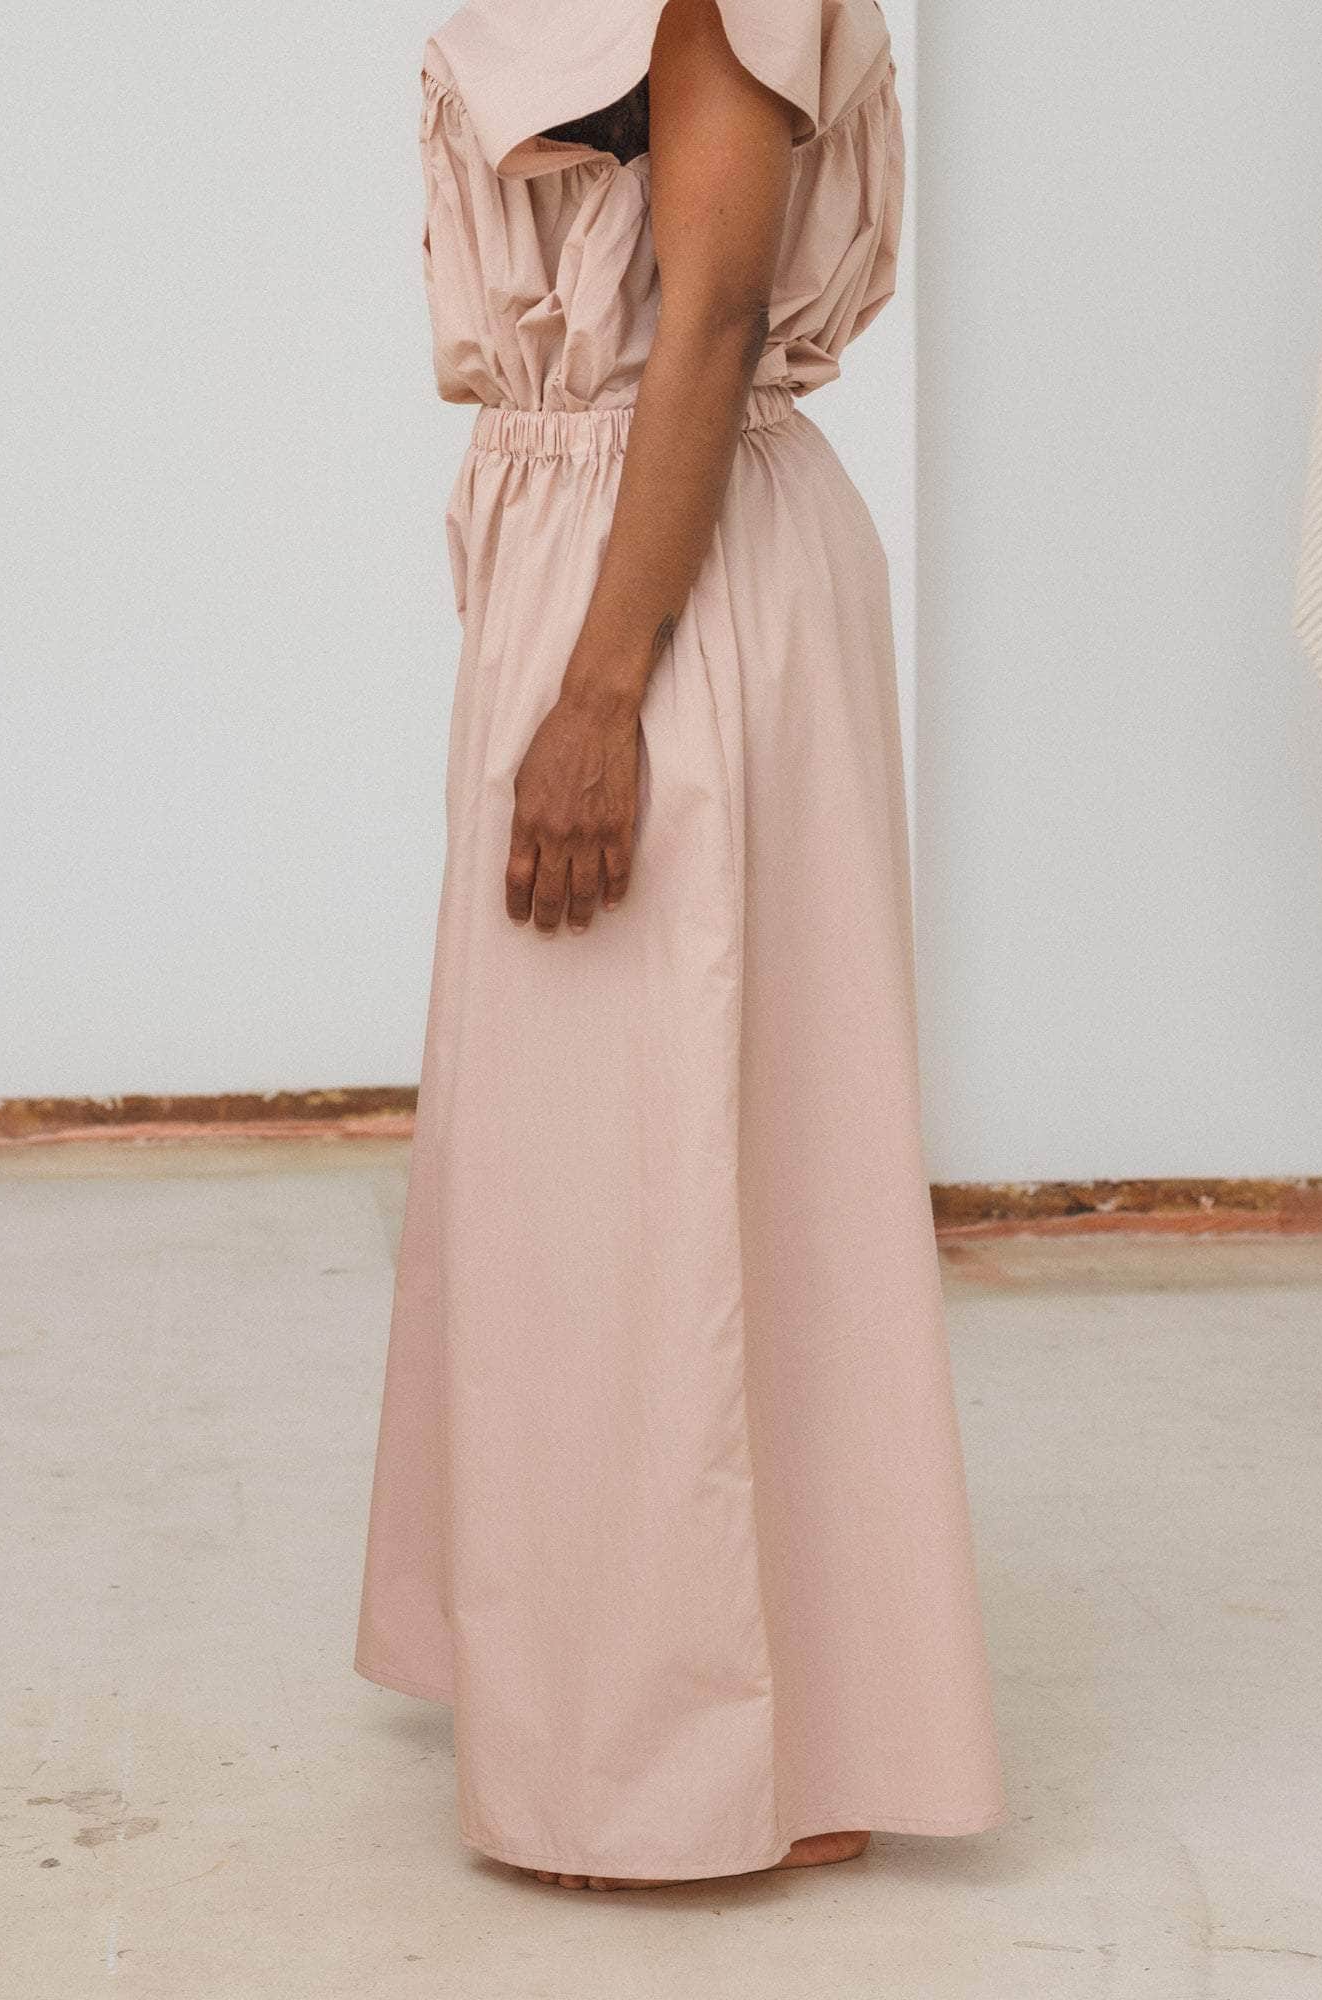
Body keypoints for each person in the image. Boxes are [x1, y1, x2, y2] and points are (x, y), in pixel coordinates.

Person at [355, 0, 1009, 1890]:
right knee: (614, 1165)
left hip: (662, 582)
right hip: (603, 547)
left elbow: (710, 312)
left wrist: (601, 692)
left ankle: (677, 1762)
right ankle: (707, 1706)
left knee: (639, 1174)